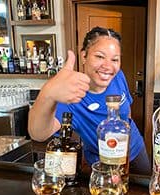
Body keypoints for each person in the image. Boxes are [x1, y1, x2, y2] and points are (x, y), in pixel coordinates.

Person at [28, 26, 151, 175]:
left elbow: (127, 112)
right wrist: (48, 93)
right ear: (84, 56)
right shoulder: (71, 94)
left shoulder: (118, 76)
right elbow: (38, 133)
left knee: (144, 191)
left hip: (134, 149)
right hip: (101, 160)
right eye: (99, 56)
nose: (108, 66)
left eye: (115, 59)